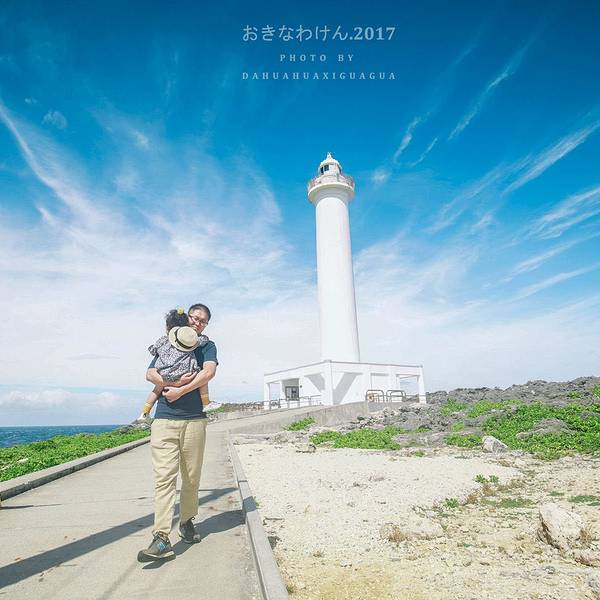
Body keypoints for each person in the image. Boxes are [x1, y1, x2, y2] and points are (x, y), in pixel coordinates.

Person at [137, 303, 218, 562]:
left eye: (203, 321)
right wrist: (172, 382)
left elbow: (209, 372)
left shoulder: (206, 346)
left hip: (194, 420)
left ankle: (186, 521)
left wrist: (182, 390)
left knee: (191, 477)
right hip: (164, 420)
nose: (197, 323)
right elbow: (150, 373)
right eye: (194, 318)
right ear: (186, 318)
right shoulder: (170, 342)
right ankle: (161, 537)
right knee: (164, 480)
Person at [138, 308, 210, 420]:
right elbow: (202, 341)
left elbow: (153, 350)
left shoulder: (163, 340)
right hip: (185, 372)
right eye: (195, 319)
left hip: (165, 373)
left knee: (156, 390)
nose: (197, 323)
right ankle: (206, 403)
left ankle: (145, 412)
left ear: (167, 327)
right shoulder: (189, 339)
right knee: (203, 379)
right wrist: (179, 383)